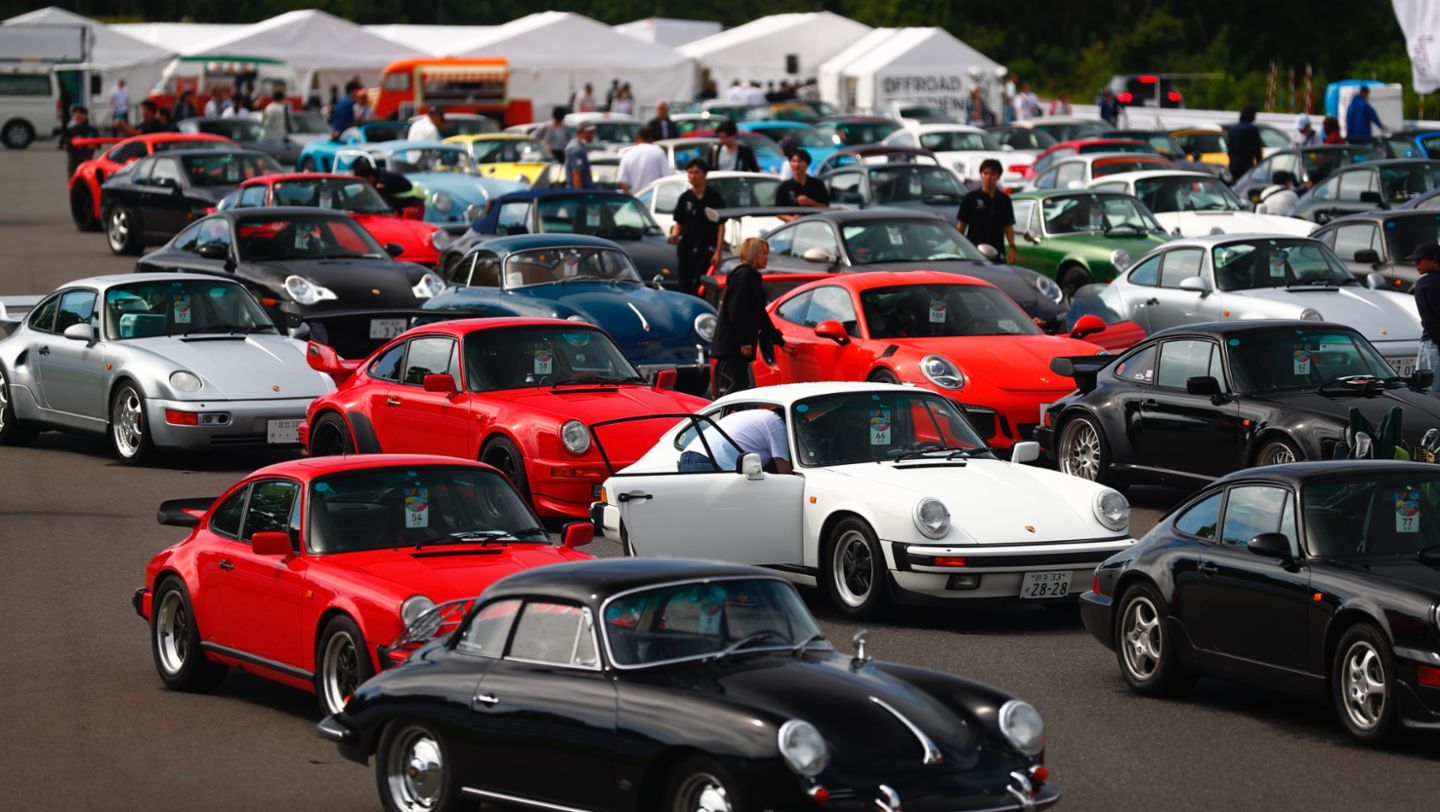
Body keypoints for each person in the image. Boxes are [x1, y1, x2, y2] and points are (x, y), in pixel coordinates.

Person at [711, 237, 785, 397]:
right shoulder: (744, 276)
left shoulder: (750, 276)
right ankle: (719, 410)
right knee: (740, 383)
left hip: (736, 341)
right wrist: (743, 342)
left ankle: (728, 410)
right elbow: (737, 312)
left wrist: (779, 340)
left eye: (767, 254)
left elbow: (759, 314)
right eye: (762, 253)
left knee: (742, 384)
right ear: (753, 254)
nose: (766, 258)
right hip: (734, 342)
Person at [669, 158, 727, 295]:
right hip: (686, 248)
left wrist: (718, 251)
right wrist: (675, 236)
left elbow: (721, 225)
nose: (693, 176)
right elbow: (678, 223)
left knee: (702, 286)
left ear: (704, 174)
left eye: (696, 172)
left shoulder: (714, 197)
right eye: (690, 173)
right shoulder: (684, 198)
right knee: (684, 285)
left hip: (706, 249)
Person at [678, 406, 791, 473]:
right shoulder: (777, 424)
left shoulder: (761, 417)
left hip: (687, 457)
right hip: (709, 461)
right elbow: (785, 474)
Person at [956, 158, 1016, 264]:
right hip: (975, 251)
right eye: (985, 173)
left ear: (998, 176)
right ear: (981, 175)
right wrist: (956, 246)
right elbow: (962, 225)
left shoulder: (1004, 200)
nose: (988, 177)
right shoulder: (970, 198)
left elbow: (1008, 226)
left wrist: (1012, 247)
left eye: (992, 174)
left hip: (997, 250)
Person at [1411, 242, 1440, 395]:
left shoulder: (1424, 284)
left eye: (1419, 260)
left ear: (1434, 260)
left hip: (1433, 345)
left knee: (1427, 395)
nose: (1415, 264)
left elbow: (1429, 320)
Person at [774, 149, 828, 218]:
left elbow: (825, 207)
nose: (796, 164)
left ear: (807, 164)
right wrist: (792, 219)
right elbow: (778, 212)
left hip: (814, 222)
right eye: (793, 161)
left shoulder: (817, 184)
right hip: (793, 224)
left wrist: (810, 202)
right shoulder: (784, 187)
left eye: (800, 161)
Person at [616, 126, 669, 194]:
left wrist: (631, 197)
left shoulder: (628, 154)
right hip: (654, 197)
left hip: (636, 197)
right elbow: (666, 176)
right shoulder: (658, 151)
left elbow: (622, 181)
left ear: (637, 138)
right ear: (652, 139)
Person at [352, 157, 416, 212]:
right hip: (401, 203)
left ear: (370, 177)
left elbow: (379, 200)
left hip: (410, 204)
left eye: (364, 182)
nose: (362, 185)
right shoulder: (377, 175)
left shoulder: (382, 180)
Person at [58, 105, 98, 176]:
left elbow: (97, 144)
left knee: (87, 178)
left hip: (87, 158)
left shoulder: (92, 130)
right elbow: (62, 144)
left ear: (85, 116)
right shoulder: (70, 131)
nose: (78, 118)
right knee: (73, 178)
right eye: (76, 116)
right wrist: (73, 141)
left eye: (81, 116)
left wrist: (87, 144)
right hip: (73, 158)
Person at [1227, 104, 1262, 183]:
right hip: (1246, 164)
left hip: (1234, 164)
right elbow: (1257, 149)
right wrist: (1259, 165)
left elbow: (1230, 147)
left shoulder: (1233, 129)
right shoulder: (1252, 129)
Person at [564, 123, 596, 188]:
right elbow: (576, 175)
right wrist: (579, 193)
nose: (592, 135)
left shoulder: (575, 146)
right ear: (582, 132)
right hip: (579, 191)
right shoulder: (577, 150)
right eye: (590, 132)